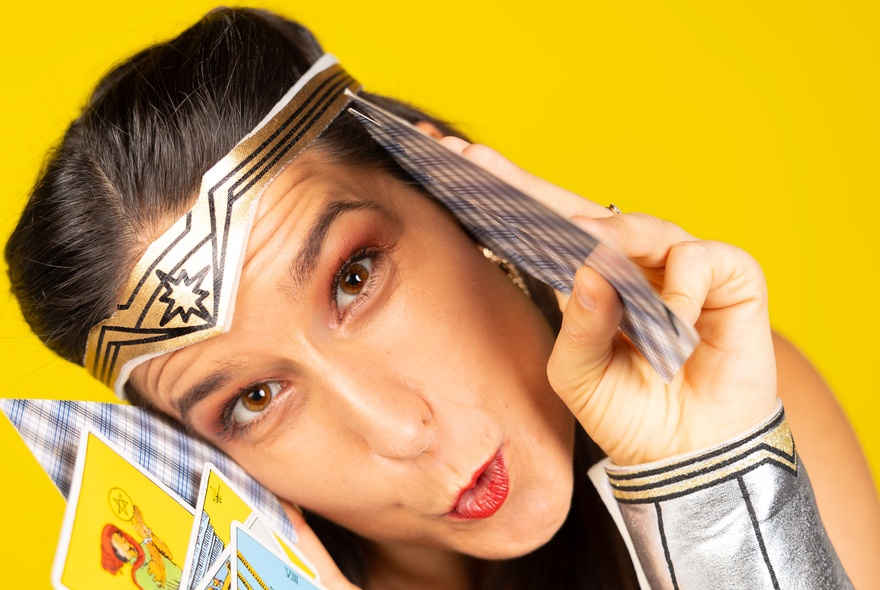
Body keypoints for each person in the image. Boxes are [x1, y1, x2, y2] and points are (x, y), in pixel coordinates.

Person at [5, 7, 879, 589]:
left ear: (456, 194)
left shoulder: (732, 405)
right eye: (253, 399)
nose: (398, 430)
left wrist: (714, 493)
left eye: (354, 277)